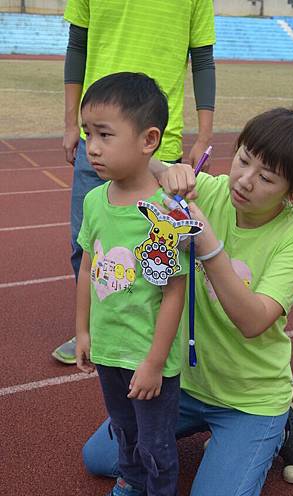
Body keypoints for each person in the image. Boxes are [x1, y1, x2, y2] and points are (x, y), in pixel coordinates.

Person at [82, 107, 293, 496]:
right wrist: (169, 169)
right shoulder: (210, 190)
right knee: (101, 459)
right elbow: (144, 161)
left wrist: (207, 243)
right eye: (244, 159)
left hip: (248, 395)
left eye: (267, 178)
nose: (245, 181)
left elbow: (253, 321)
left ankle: (278, 425)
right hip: (185, 383)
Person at [75, 72, 200, 496]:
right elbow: (88, 264)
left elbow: (173, 293)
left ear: (150, 140)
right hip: (108, 349)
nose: (93, 147)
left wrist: (153, 362)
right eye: (88, 133)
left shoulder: (166, 211)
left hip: (149, 358)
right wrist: (82, 329)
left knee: (155, 440)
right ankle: (132, 483)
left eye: (105, 134)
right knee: (122, 428)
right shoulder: (93, 200)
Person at [53, 0, 216, 364]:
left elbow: (202, 58)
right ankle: (96, 329)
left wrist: (204, 134)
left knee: (161, 259)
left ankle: (158, 344)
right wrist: (72, 125)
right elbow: (77, 44)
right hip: (98, 131)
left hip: (159, 139)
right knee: (87, 245)